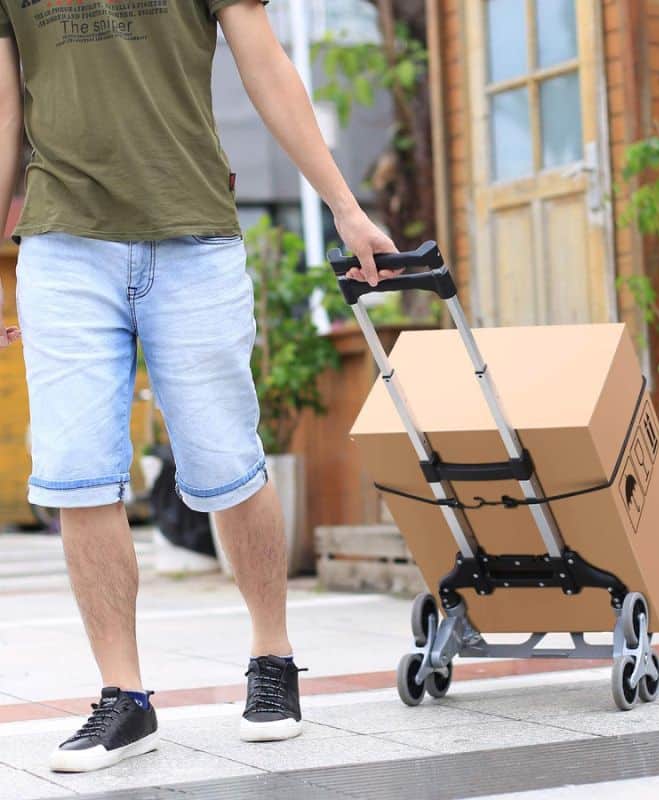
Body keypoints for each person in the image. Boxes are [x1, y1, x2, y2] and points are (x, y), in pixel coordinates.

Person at [0, 0, 399, 774]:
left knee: (226, 460)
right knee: (77, 472)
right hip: (62, 245)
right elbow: (5, 110)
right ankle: (124, 697)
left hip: (193, 237)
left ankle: (273, 659)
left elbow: (266, 67)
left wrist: (346, 208)